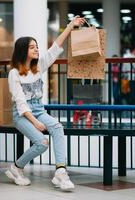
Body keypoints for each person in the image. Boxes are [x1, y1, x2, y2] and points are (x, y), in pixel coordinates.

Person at [6, 16, 85, 191]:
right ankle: (16, 167)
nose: (37, 49)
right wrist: (35, 122)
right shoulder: (14, 74)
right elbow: (20, 104)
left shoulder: (39, 66)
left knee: (57, 126)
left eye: (36, 46)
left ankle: (61, 172)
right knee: (41, 143)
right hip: (22, 115)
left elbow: (55, 47)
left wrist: (71, 26)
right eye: (32, 47)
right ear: (22, 51)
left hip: (39, 110)